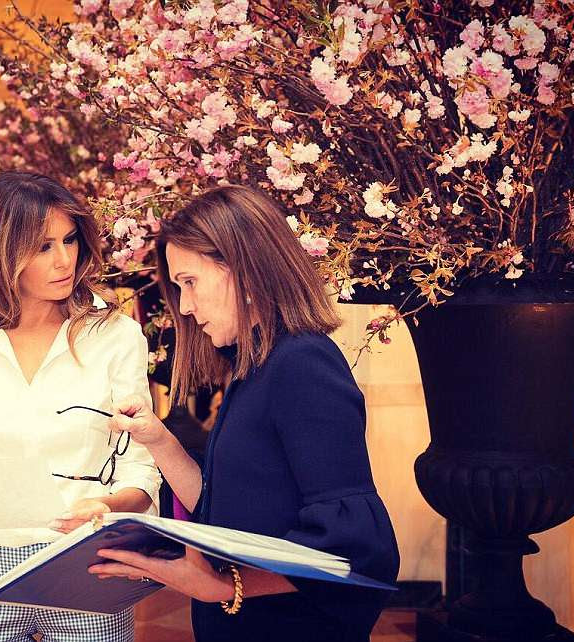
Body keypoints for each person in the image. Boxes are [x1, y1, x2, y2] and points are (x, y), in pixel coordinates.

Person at [91, 185, 400, 641]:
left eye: (190, 282)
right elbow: (223, 510)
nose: (187, 307)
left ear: (245, 270)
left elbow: (356, 551)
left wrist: (221, 585)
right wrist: (157, 439)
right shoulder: (251, 367)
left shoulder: (302, 363)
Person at [0, 171, 161, 642]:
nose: (65, 260)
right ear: (1, 250)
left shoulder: (116, 336)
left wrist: (104, 507)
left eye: (69, 240)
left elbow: (141, 471)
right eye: (43, 246)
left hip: (84, 558)